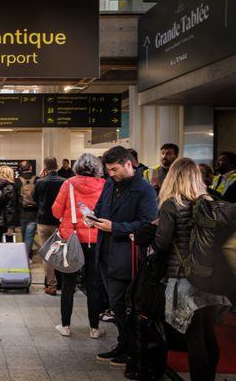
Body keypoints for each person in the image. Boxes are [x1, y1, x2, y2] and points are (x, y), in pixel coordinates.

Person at [152, 158, 230, 381]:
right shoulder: (210, 201)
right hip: (211, 276)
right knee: (208, 333)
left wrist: (150, 235)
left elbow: (162, 243)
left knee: (194, 337)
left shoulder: (172, 204)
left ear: (173, 177)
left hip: (185, 277)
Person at [93, 146, 157, 366]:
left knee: (122, 304)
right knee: (114, 303)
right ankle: (124, 344)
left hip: (127, 255)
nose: (111, 174)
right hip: (105, 251)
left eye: (114, 169)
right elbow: (100, 206)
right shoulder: (111, 183)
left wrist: (115, 227)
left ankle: (130, 348)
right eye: (108, 170)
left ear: (129, 164)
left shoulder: (145, 189)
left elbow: (147, 224)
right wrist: (91, 218)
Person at [51, 153, 106, 339]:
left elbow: (56, 210)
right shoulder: (104, 184)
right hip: (95, 239)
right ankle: (94, 328)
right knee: (93, 284)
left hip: (71, 238)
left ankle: (65, 326)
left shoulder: (69, 183)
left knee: (68, 284)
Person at [33, 157, 65, 295]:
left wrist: (41, 177)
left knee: (47, 253)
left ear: (45, 167)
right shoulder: (65, 182)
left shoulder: (40, 182)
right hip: (60, 222)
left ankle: (51, 285)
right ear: (57, 166)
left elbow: (34, 198)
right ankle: (64, 283)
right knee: (61, 252)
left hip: (44, 221)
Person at [14, 160, 38, 260]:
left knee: (24, 235)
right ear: (30, 168)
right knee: (29, 235)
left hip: (22, 212)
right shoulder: (37, 180)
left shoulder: (16, 181)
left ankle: (26, 255)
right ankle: (27, 255)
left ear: (20, 169)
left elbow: (14, 198)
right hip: (34, 212)